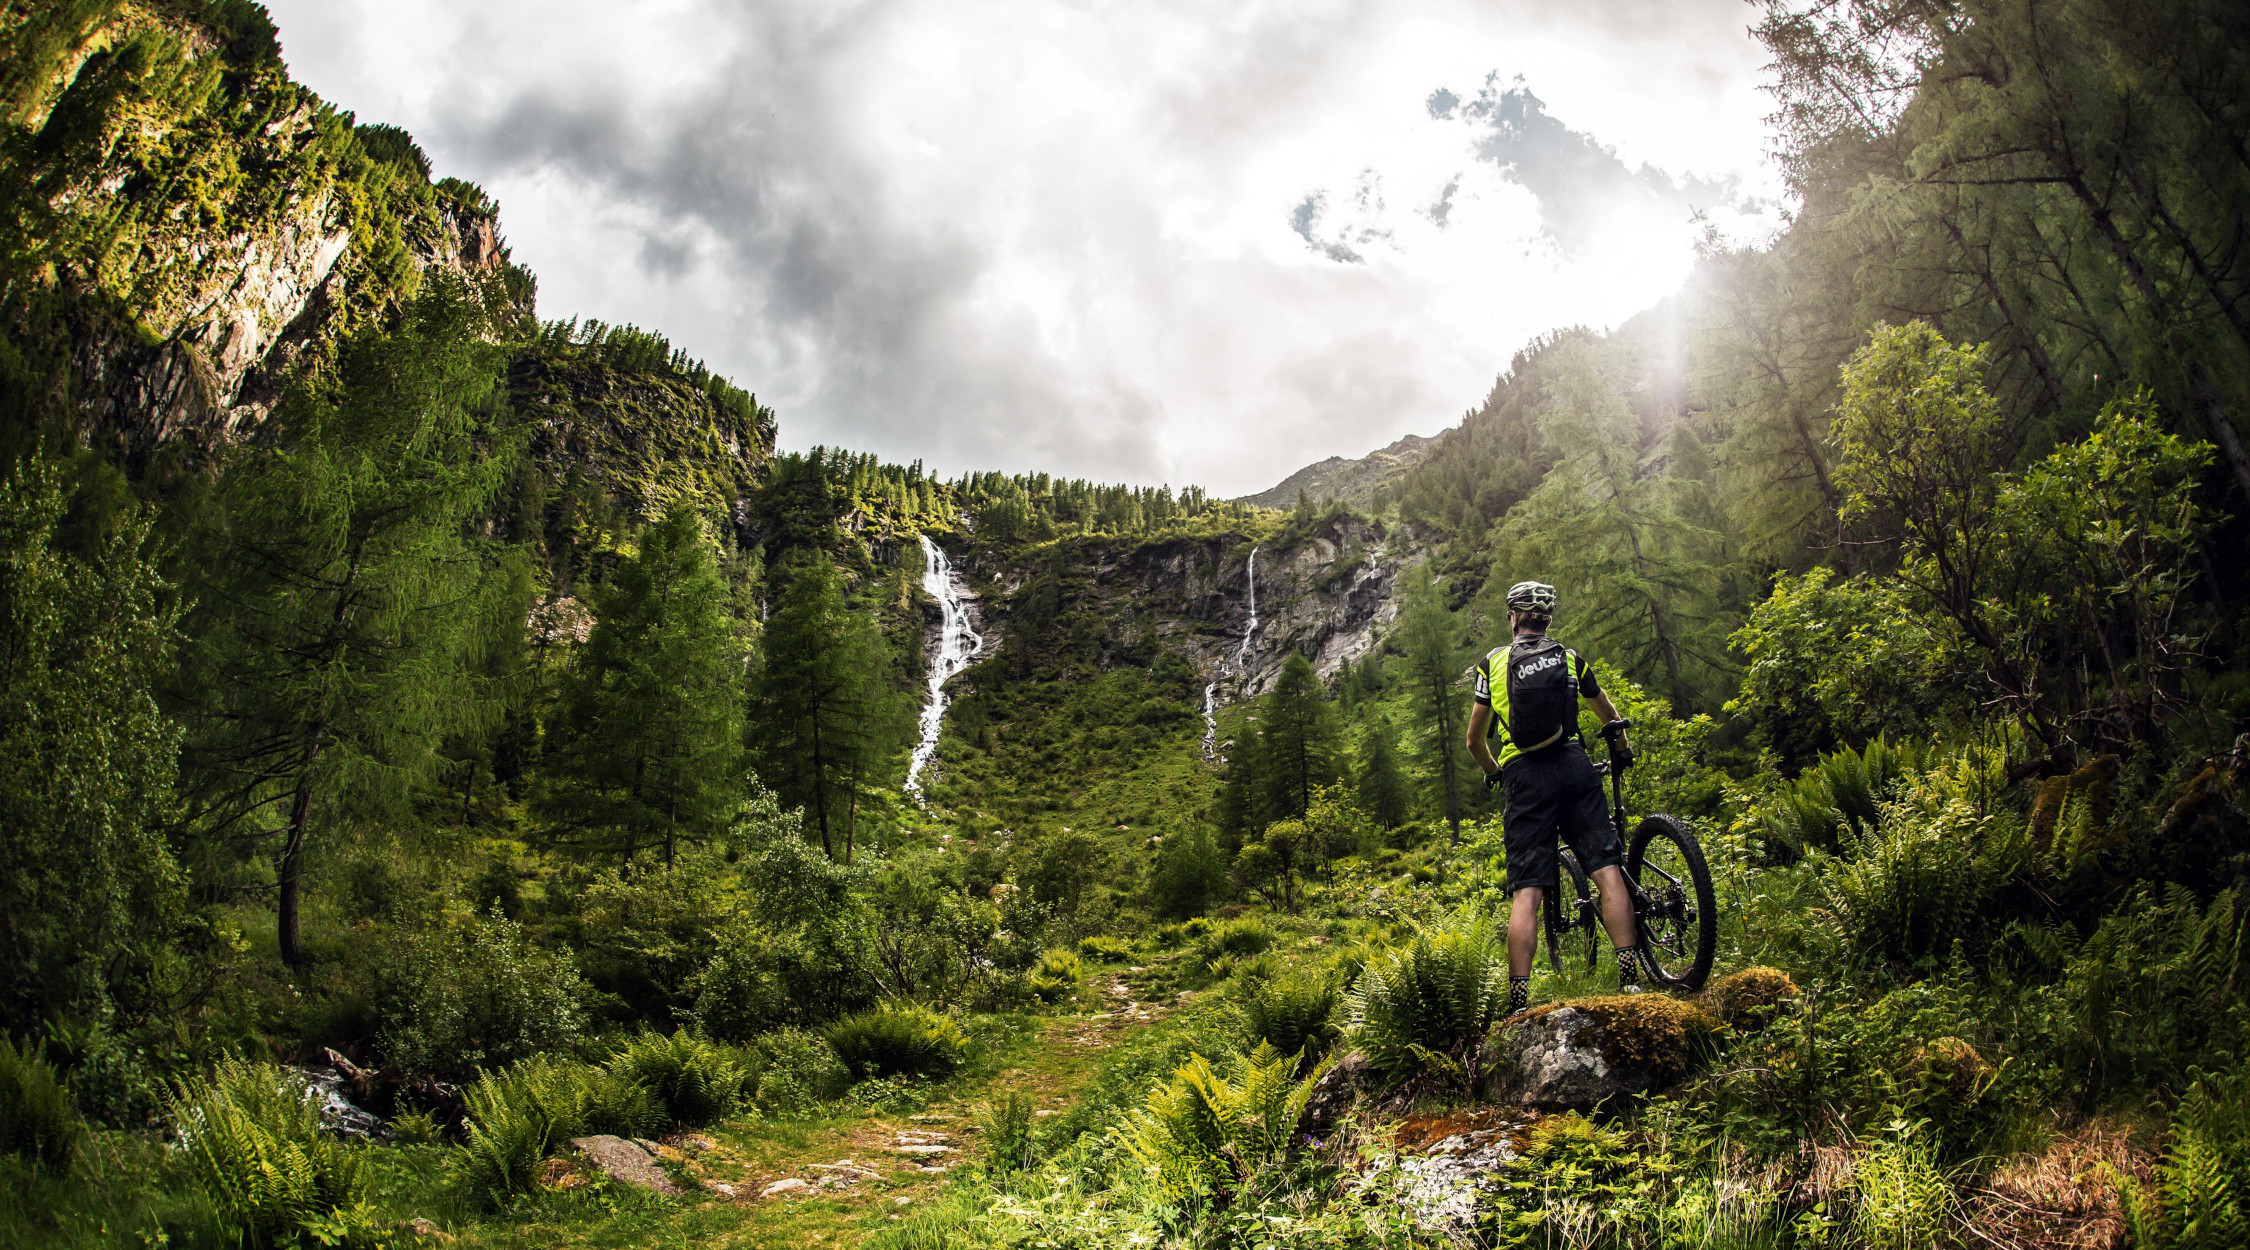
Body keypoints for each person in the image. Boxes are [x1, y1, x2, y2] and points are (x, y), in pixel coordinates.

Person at [1465, 580, 1645, 1015]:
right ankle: (1630, 978)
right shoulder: (1568, 658)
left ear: (1513, 617)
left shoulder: (1493, 663)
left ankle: (1519, 1003)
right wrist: (1621, 748)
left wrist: (1496, 774)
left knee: (1527, 891)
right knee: (1607, 871)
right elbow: (1608, 713)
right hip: (1574, 767)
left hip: (1524, 778)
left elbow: (1474, 741)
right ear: (1547, 619)